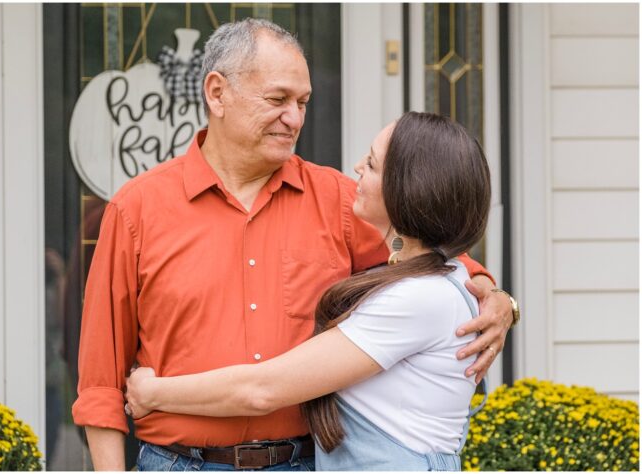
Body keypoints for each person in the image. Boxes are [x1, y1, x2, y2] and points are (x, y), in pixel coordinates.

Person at [72, 19, 517, 471]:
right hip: (177, 462)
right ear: (217, 92)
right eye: (277, 99)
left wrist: (494, 295)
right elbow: (100, 384)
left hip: (302, 462)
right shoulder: (138, 209)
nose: (295, 118)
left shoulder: (338, 200)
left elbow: (430, 256)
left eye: (302, 102)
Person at [126, 112, 492, 471]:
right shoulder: (436, 282)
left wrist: (152, 392)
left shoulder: (417, 299)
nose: (358, 167)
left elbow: (262, 390)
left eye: (374, 164)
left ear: (409, 188)